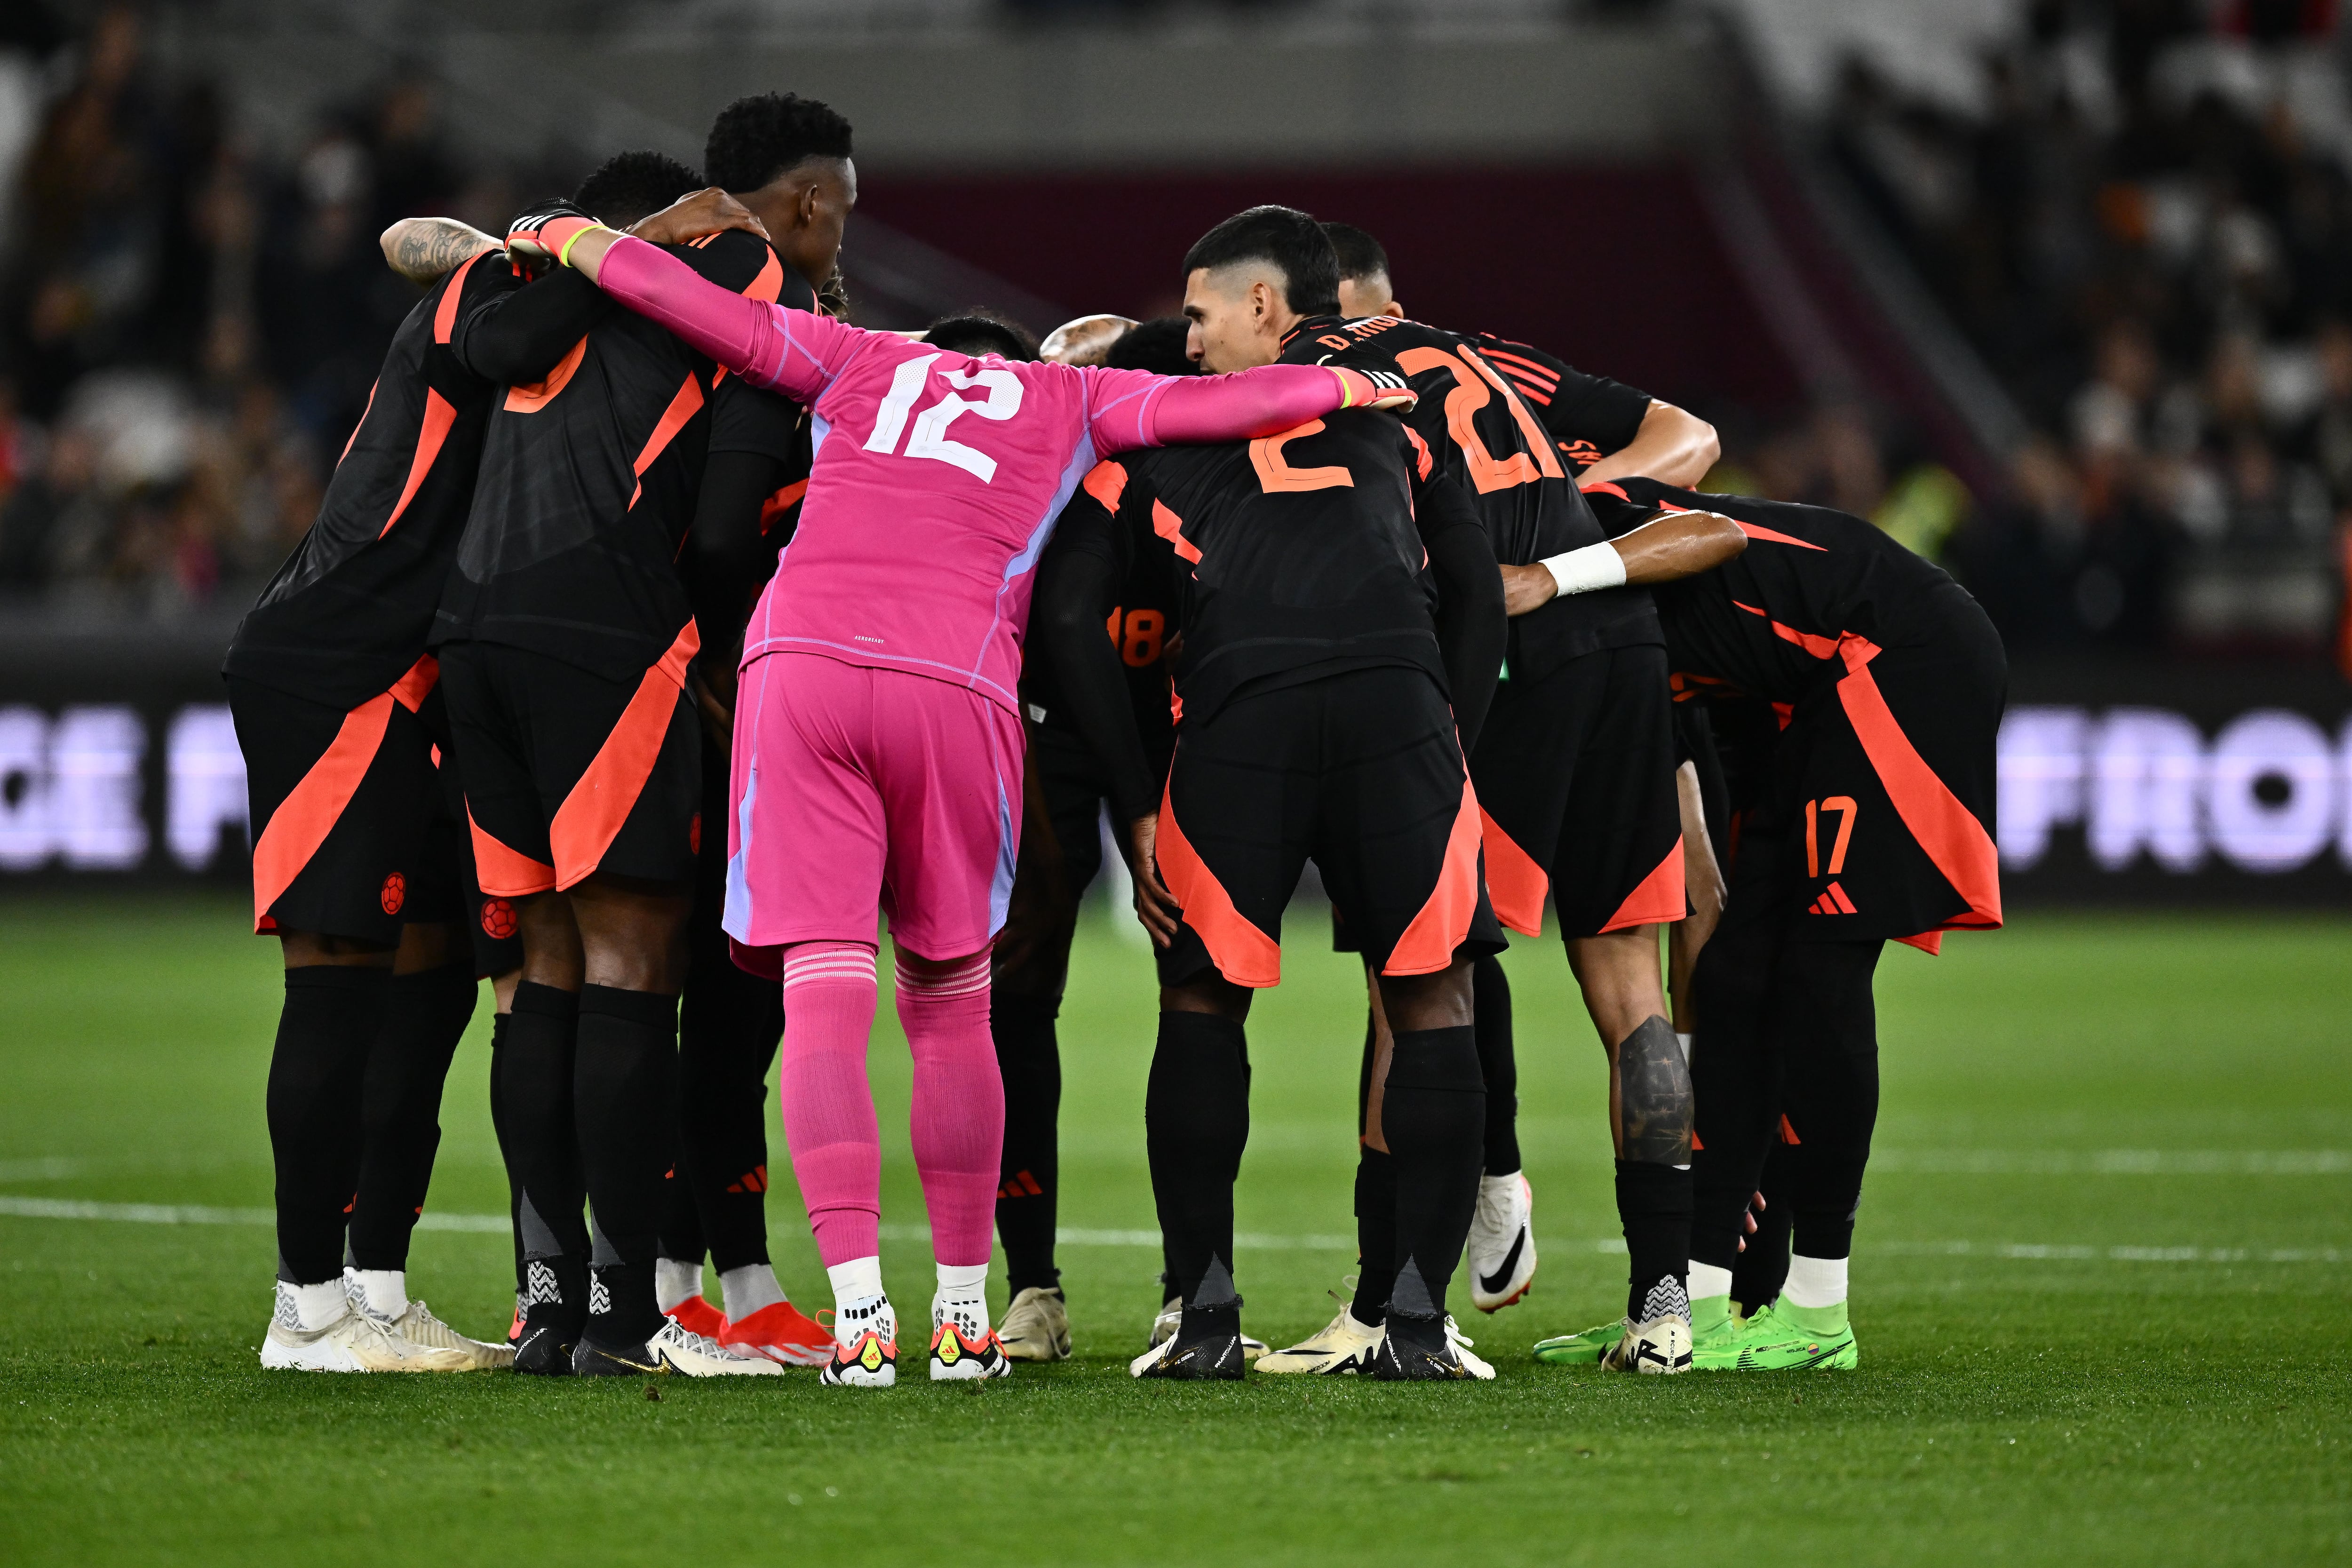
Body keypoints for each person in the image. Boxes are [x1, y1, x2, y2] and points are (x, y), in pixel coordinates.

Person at [531, 187, 1415, 1388]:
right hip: (954, 683)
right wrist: (1354, 384)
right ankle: (959, 1318)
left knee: (825, 987)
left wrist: (566, 238)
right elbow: (1238, 402)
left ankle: (857, 1320)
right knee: (950, 1005)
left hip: (804, 671)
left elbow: (688, 304)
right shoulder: (1076, 395)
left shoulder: (853, 357)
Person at [1029, 207, 1512, 1381]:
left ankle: (1200, 1317)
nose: (1184, 345)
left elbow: (1065, 616)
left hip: (1242, 709)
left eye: (1197, 316)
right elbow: (1479, 593)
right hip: (1399, 705)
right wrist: (1448, 739)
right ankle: (1412, 1323)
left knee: (1199, 998)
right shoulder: (1401, 406)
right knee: (1430, 1000)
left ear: (1260, 306)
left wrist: (1137, 798)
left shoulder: (1146, 436)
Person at [1272, 222, 1727, 1375]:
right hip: (1619, 629)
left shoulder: (1319, 376)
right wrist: (1562, 523)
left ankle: (1389, 1307)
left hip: (1501, 649)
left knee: (1414, 980)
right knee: (1631, 984)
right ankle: (1663, 1305)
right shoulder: (1474, 352)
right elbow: (1688, 439)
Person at [424, 132, 844, 1380]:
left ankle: (548, 1302)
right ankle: (628, 1315)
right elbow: (735, 507)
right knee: (630, 958)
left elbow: (483, 346)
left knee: (540, 963)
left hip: (475, 634)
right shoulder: (729, 288)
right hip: (605, 637)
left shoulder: (529, 305)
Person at [229, 182, 602, 1375]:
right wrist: (612, 258)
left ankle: (377, 1289)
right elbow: (435, 260)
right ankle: (307, 1307)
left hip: (413, 680)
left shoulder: (511, 302)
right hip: (339, 666)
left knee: (430, 985)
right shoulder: (502, 299)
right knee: (335, 981)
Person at [1527, 477, 2003, 1371]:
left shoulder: (1580, 518)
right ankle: (1696, 1305)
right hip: (1805, 698)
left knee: (1822, 973)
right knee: (1740, 976)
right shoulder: (1581, 610)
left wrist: (1545, 579)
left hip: (1894, 655)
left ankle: (1821, 1311)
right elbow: (1692, 852)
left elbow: (1712, 528)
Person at [642, 94, 880, 1374]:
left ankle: (672, 1272)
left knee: (654, 992)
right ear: (801, 206)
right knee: (735, 998)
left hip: (643, 685)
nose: (847, 226)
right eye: (840, 203)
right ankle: (714, 1278)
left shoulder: (660, 306)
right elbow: (731, 528)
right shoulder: (764, 333)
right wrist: (749, 658)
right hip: (723, 695)